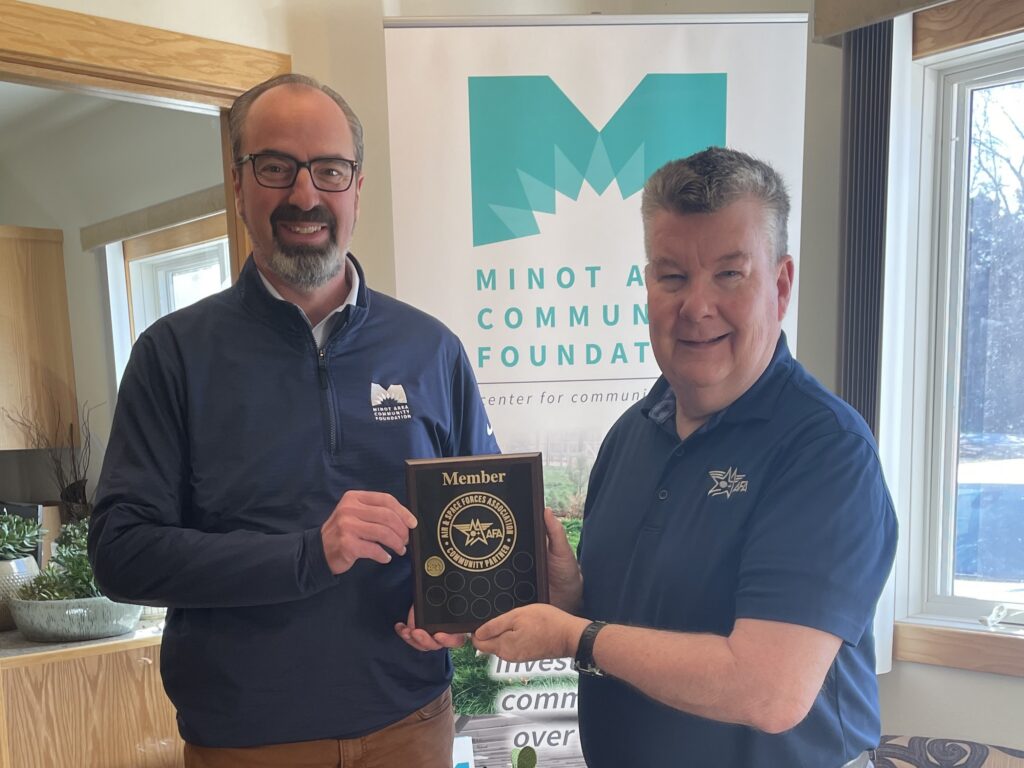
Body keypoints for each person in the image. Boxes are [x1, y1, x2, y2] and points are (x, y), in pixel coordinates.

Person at [88, 73, 498, 768]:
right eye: (276, 167)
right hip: (246, 742)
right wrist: (310, 553)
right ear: (238, 183)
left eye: (329, 170)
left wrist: (458, 609)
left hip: (412, 726)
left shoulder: (431, 349)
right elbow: (121, 554)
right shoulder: (172, 355)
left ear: (357, 187)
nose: (305, 195)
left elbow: (481, 522)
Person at [472, 147, 898, 768]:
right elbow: (635, 630)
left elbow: (767, 690)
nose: (697, 307)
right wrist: (573, 599)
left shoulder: (826, 452)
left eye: (729, 274)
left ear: (780, 286)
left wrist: (575, 635)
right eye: (673, 276)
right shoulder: (630, 435)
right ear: (648, 284)